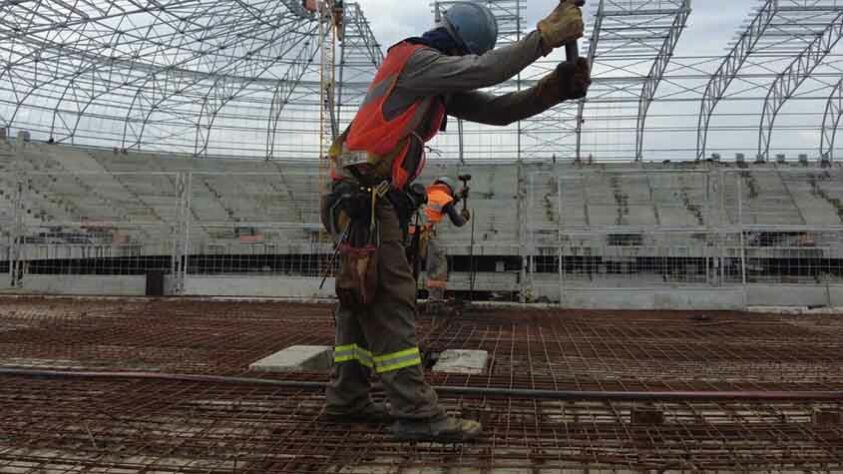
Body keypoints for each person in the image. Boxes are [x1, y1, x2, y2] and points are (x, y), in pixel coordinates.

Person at [320, 0, 590, 442]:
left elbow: (499, 110)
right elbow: (486, 70)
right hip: (364, 198)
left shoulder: (429, 79)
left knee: (361, 298)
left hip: (357, 197)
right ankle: (417, 415)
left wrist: (553, 90)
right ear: (460, 47)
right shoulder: (417, 61)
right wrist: (545, 37)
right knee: (390, 299)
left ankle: (347, 398)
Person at [422, 177, 469, 311]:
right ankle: (435, 304)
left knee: (410, 268)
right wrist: (465, 217)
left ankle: (408, 302)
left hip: (412, 235)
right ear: (449, 189)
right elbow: (457, 221)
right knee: (438, 267)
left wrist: (459, 196)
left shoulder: (427, 194)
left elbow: (443, 207)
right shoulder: (444, 199)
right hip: (428, 235)